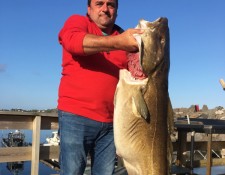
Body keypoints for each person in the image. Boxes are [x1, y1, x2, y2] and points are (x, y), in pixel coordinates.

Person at [57, 0, 143, 174]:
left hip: (112, 123)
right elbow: (74, 42)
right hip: (76, 117)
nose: (105, 9)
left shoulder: (125, 38)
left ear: (117, 11)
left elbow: (138, 76)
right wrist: (118, 42)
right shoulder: (78, 22)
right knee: (72, 171)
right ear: (89, 9)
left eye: (111, 5)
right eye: (99, 4)